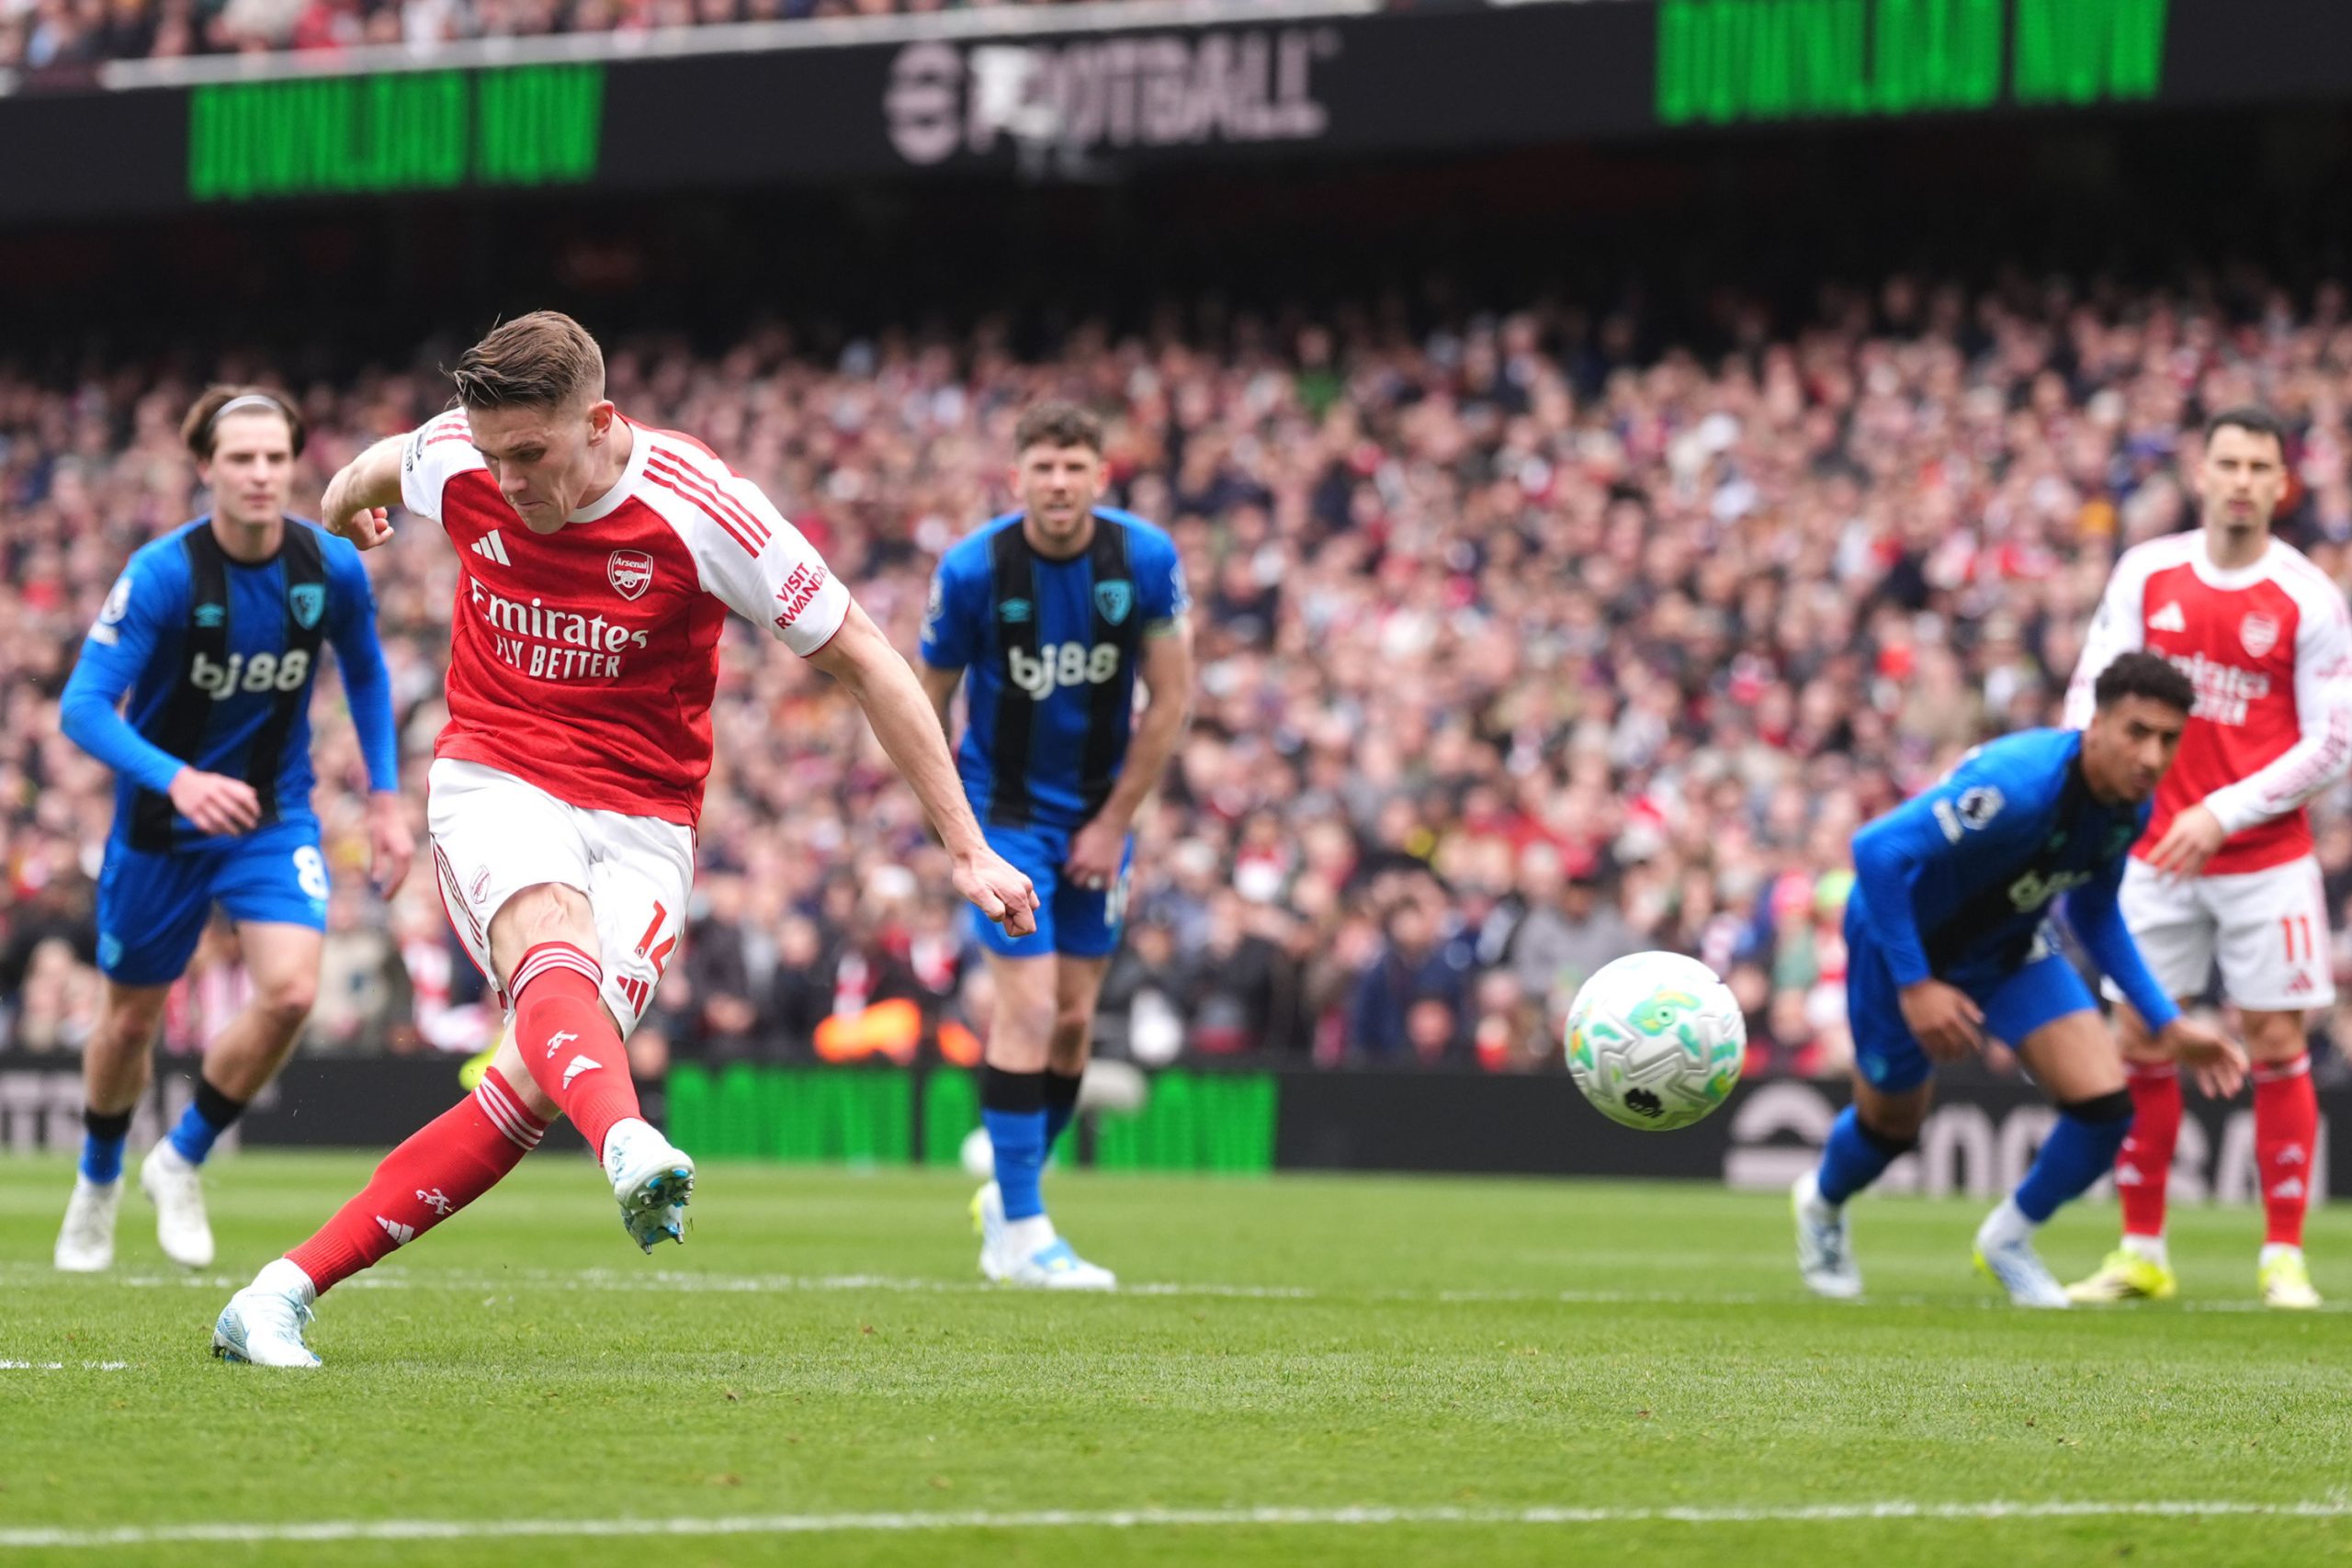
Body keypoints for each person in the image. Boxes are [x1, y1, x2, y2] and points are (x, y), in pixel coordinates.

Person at [212, 311, 1036, 1366]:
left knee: (531, 1082)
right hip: (496, 772)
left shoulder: (701, 508)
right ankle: (627, 1138)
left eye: (530, 454)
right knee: (552, 943)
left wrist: (965, 847)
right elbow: (364, 474)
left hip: (647, 820)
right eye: (493, 453)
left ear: (599, 423)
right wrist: (345, 510)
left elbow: (868, 659)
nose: (507, 479)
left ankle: (277, 1293)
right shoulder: (458, 452)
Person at [52, 386, 410, 1274]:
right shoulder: (163, 574)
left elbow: (367, 673)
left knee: (291, 992)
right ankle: (98, 1179)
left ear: (294, 466)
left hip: (270, 814)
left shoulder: (329, 567)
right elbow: (83, 706)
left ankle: (180, 1157)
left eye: (275, 458)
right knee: (128, 1024)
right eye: (241, 458)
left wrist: (386, 798)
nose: (260, 474)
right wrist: (179, 779)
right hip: (160, 823)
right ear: (205, 467)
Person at [1792, 652, 2246, 1307]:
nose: (2152, 756)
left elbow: (2093, 911)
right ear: (2096, 725)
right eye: (2137, 732)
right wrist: (1916, 984)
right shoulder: (2019, 785)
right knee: (1891, 1125)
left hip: (2008, 944)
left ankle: (2007, 1240)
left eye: (2168, 739)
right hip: (1900, 944)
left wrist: (2166, 1022)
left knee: (2105, 1107)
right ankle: (1823, 1203)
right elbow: (1878, 850)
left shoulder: (2130, 807)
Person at [2059, 408, 2352, 1309]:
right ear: (2201, 472)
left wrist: (2223, 812)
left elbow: (2332, 741)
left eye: (2258, 466)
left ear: (2281, 484)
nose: (2241, 480)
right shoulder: (2145, 572)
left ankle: (2283, 1256)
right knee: (2140, 1038)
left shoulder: (2306, 596)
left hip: (2264, 857)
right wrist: (2083, 787)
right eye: (2227, 462)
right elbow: (2091, 690)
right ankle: (2141, 1251)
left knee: (2276, 1040)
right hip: (2151, 851)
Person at [919, 400, 1193, 1290]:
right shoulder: (974, 569)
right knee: (1030, 1011)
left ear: (1101, 476)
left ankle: (1009, 1196)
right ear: (1018, 478)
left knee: (1074, 1021)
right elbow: (922, 702)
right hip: (1004, 817)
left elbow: (1172, 697)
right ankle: (1024, 1230)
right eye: (1044, 467)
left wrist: (1114, 822)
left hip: (1098, 817)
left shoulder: (1144, 559)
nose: (1060, 482)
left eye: (1075, 466)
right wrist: (959, 833)